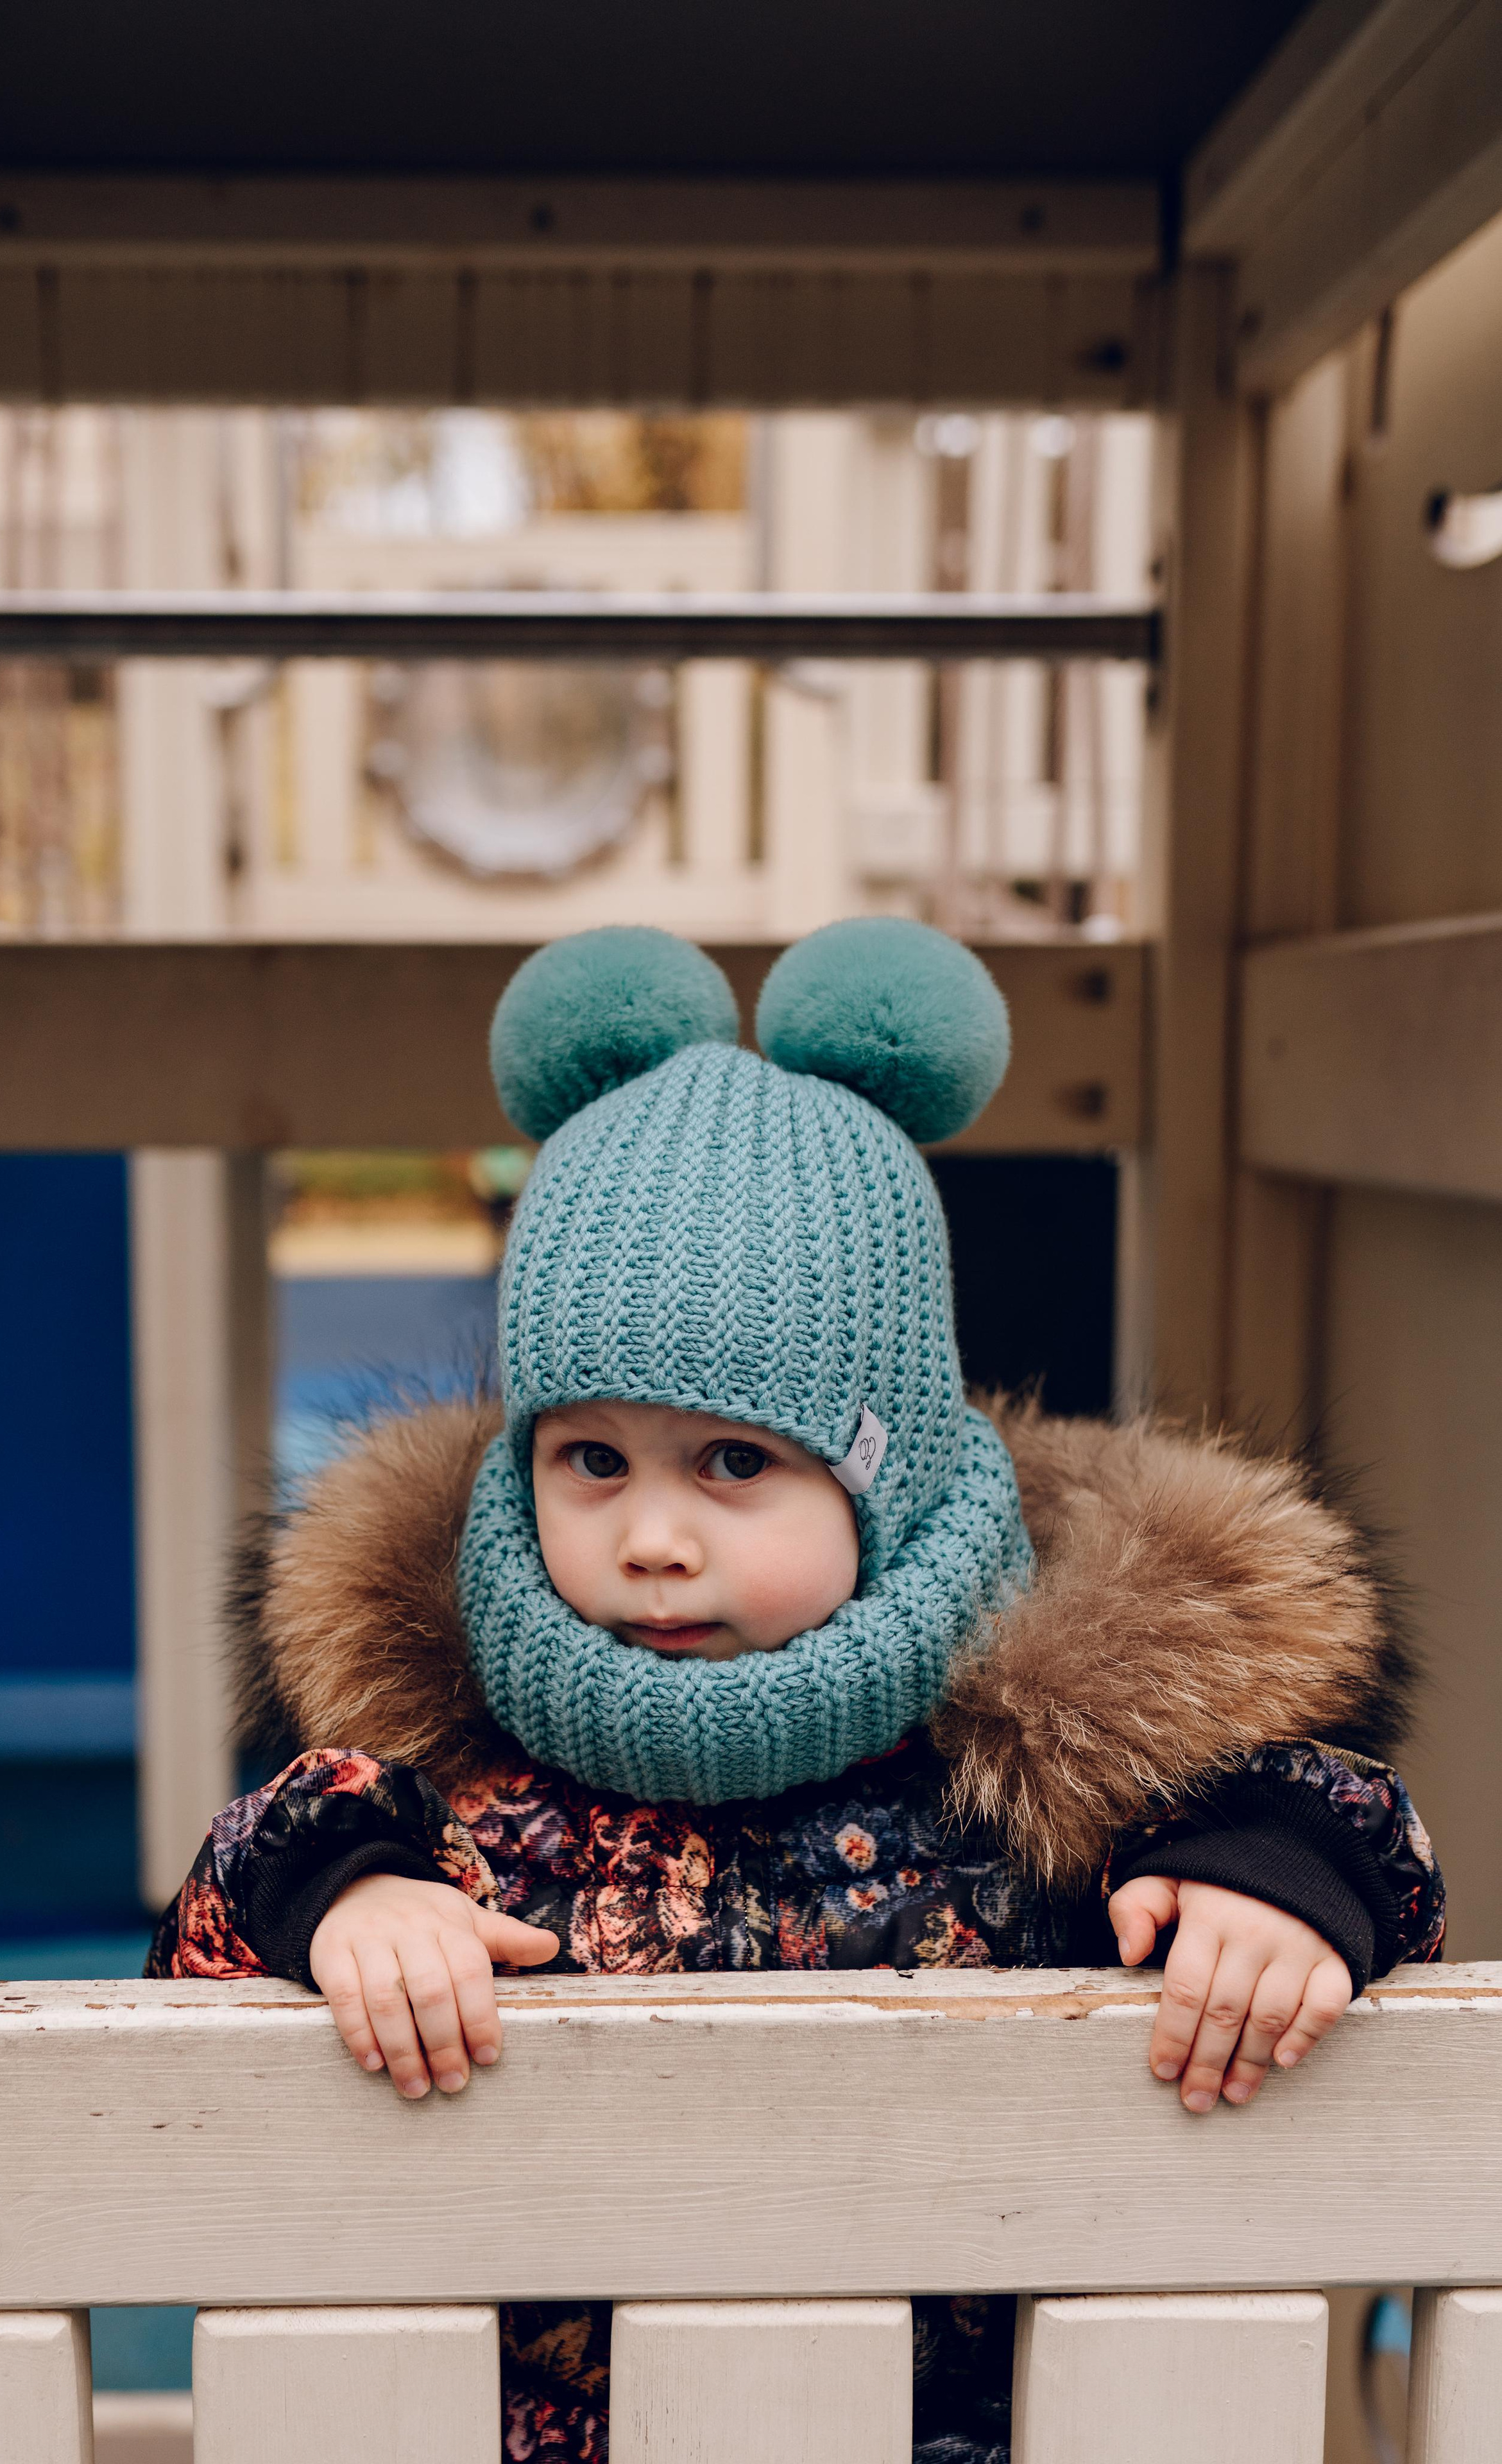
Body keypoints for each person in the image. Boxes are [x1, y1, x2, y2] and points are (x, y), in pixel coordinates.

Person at [149, 919, 1442, 2464]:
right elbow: (192, 1963)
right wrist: (343, 1904)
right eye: (591, 1460)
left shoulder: (1051, 1772)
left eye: (737, 1464)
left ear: (877, 1480)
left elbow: (1356, 1833)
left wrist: (1271, 1887)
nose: (649, 1538)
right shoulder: (435, 1770)